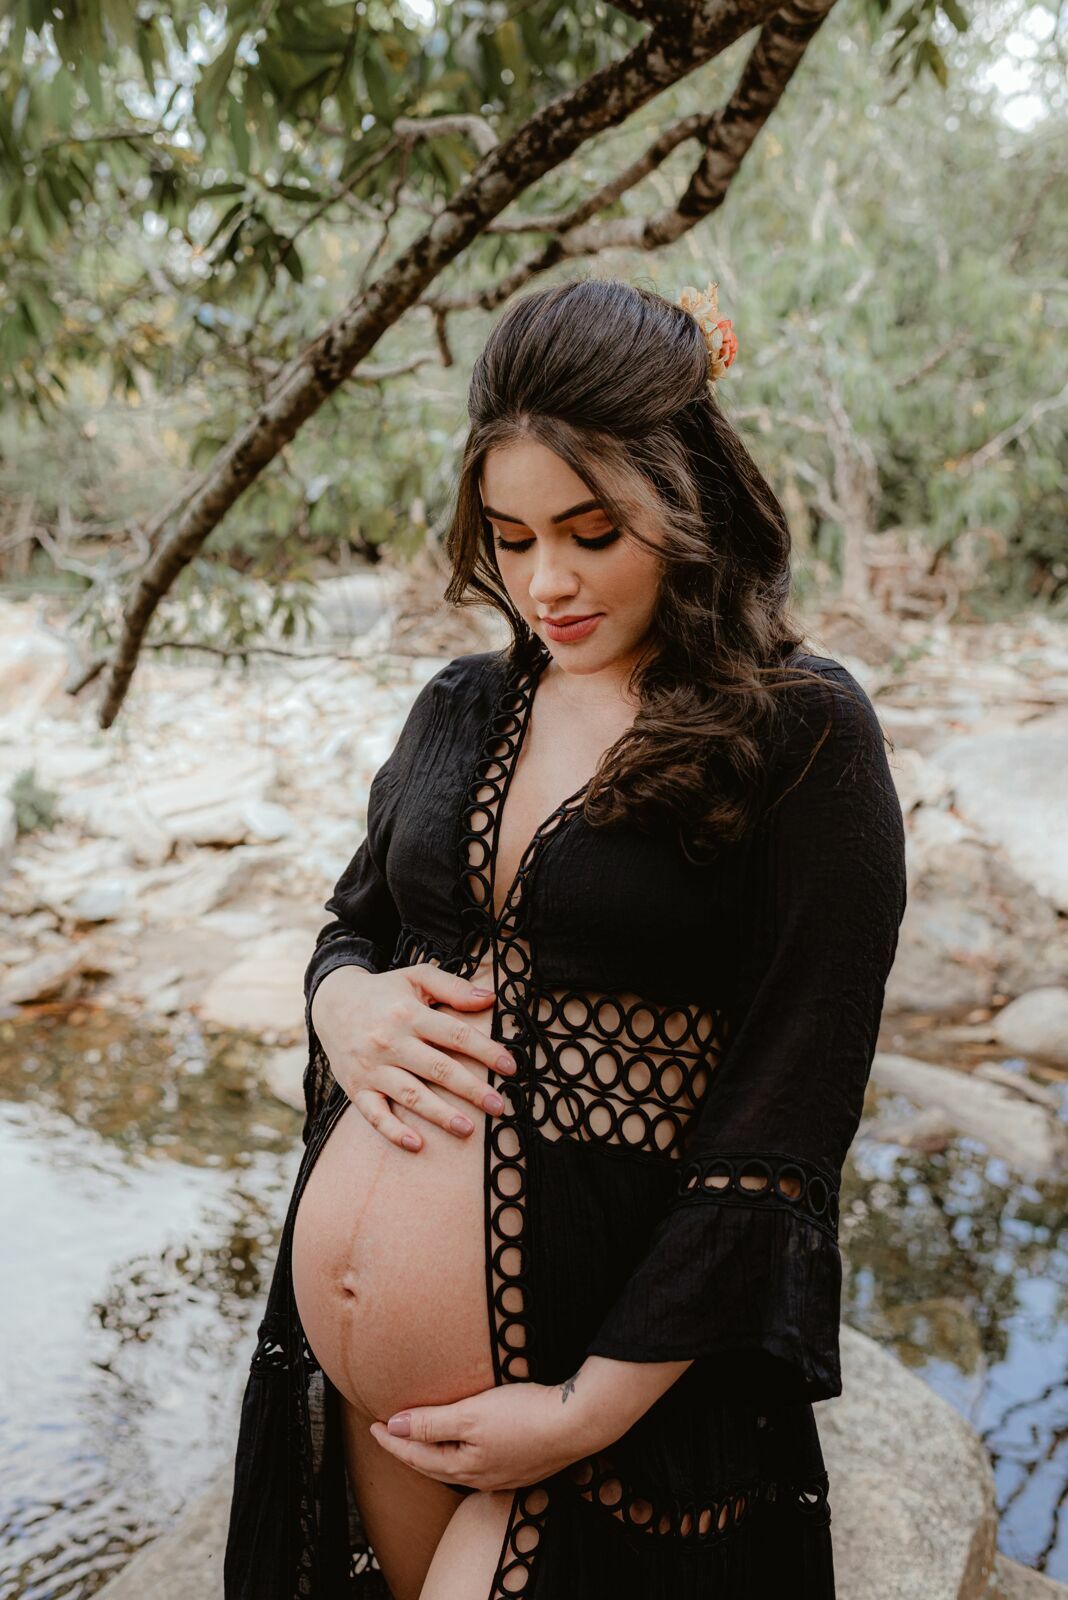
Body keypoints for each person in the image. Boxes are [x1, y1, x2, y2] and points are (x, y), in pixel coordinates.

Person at [223, 276, 908, 1600]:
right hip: (372, 1408)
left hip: (601, 1400)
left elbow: (787, 1115)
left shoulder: (802, 731)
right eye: (512, 535)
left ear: (689, 494)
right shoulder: (461, 706)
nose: (548, 581)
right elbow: (351, 929)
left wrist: (589, 1407)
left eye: (593, 533)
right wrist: (342, 1007)